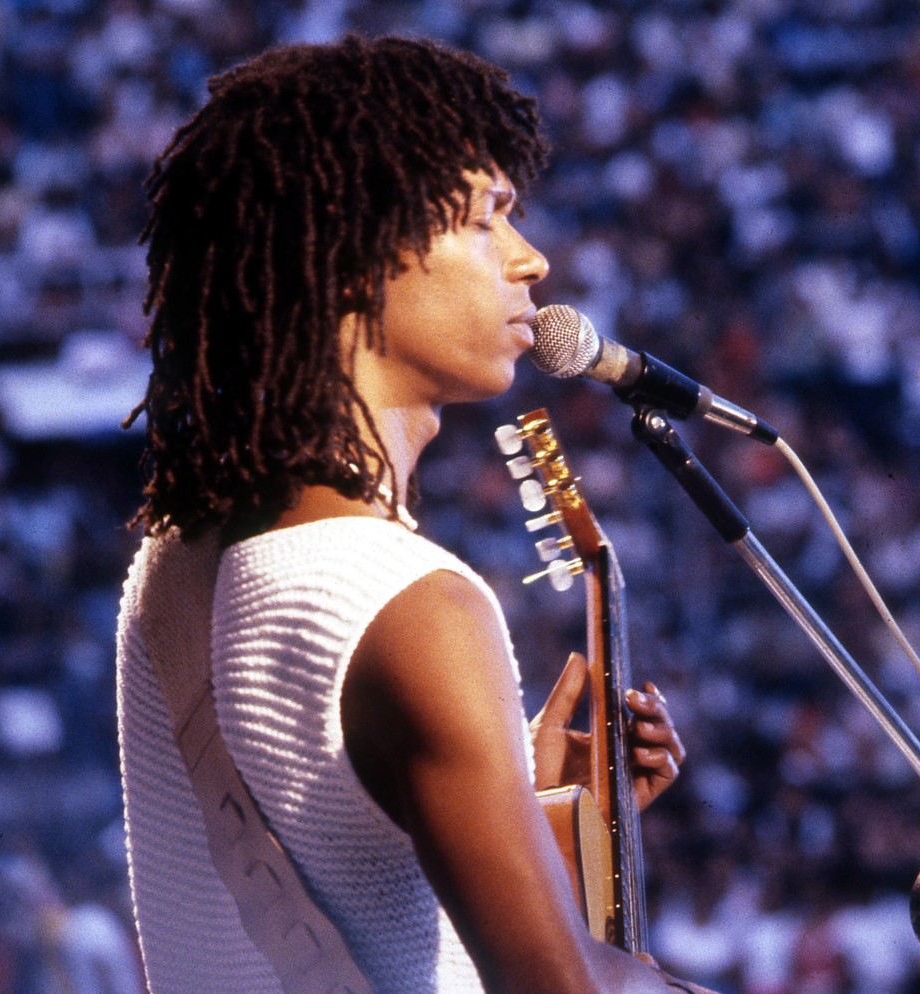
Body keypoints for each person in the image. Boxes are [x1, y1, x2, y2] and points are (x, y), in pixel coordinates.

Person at [115, 34, 715, 994]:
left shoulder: (180, 557)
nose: (532, 260)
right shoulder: (415, 606)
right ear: (358, 260)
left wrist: (523, 807)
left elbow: (331, 908)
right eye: (489, 221)